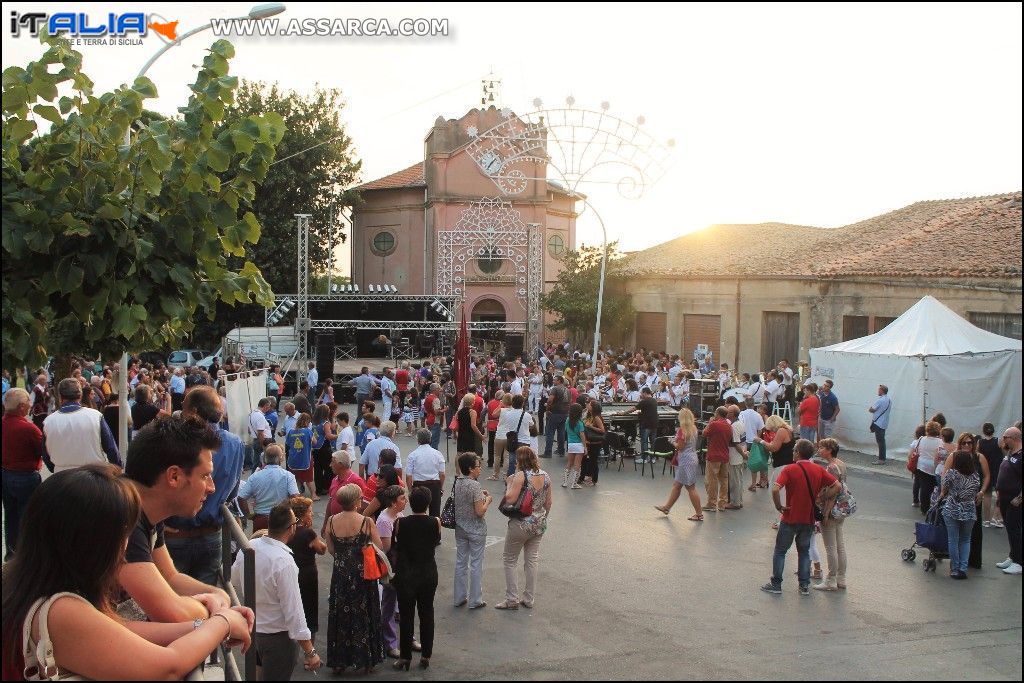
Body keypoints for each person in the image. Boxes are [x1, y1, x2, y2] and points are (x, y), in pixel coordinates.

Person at [1, 464, 253, 680]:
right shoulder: (61, 611)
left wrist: (205, 622)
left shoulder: (33, 586)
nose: (126, 545)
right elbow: (168, 666)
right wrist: (222, 623)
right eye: (123, 531)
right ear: (90, 542)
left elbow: (123, 631)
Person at [164, 387, 245, 586]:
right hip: (211, 535)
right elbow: (233, 492)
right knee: (206, 599)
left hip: (175, 535)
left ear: (193, 411)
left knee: (174, 601)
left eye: (183, 407)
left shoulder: (174, 439)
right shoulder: (235, 443)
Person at [232, 501, 322, 679]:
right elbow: (294, 611)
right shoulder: (283, 561)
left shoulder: (250, 547)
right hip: (277, 637)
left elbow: (234, 578)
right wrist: (310, 652)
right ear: (292, 528)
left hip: (253, 628)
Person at [761, 439, 841, 595]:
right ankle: (804, 585)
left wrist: (779, 506)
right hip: (808, 517)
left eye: (794, 450)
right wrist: (822, 498)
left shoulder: (790, 469)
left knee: (780, 551)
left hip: (790, 516)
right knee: (804, 551)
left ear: (798, 452)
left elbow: (776, 489)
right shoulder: (818, 470)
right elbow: (836, 486)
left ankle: (776, 584)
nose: (792, 453)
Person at [325, 483, 387, 674]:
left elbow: (331, 550)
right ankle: (367, 658)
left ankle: (339, 660)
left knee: (340, 615)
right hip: (362, 574)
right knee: (365, 613)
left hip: (341, 573)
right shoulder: (366, 522)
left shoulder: (331, 522)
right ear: (357, 501)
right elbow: (379, 546)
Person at [495, 447, 553, 610]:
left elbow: (510, 498)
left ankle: (512, 599)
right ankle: (529, 598)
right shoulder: (545, 475)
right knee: (532, 559)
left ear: (519, 461)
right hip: (538, 523)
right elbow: (548, 502)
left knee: (510, 559)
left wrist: (509, 483)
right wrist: (542, 518)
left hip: (521, 522)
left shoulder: (521, 476)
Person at [391, 486, 441, 670]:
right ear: (428, 504)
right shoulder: (435, 522)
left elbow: (397, 544)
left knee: (406, 615)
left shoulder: (400, 523)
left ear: (410, 503)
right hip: (427, 572)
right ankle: (426, 654)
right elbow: (435, 541)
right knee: (427, 613)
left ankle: (405, 656)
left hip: (406, 573)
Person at [42, 378, 122, 473]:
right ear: (80, 396)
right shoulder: (95, 416)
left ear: (60, 397)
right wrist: (117, 468)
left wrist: (55, 468)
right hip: (94, 475)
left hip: (62, 475)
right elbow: (111, 448)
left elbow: (45, 454)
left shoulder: (48, 422)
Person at [2, 388, 43, 560]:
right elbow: (41, 450)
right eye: (28, 403)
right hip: (25, 476)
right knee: (28, 515)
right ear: (21, 406)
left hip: (5, 474)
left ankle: (12, 551)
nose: (30, 406)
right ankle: (27, 555)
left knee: (10, 514)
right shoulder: (29, 429)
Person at [453, 452, 492, 610]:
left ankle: (459, 597)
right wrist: (487, 500)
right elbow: (480, 511)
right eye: (478, 466)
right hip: (475, 529)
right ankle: (475, 599)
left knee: (461, 563)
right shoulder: (475, 485)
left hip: (460, 528)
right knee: (476, 564)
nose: (480, 469)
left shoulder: (458, 482)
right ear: (470, 469)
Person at [285, 497, 327, 640]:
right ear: (302, 514)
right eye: (310, 511)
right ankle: (310, 653)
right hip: (307, 574)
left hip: (291, 573)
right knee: (309, 610)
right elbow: (322, 549)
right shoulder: (308, 533)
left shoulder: (288, 531)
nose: (312, 514)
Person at [654, 408, 703, 520]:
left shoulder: (682, 430)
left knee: (690, 488)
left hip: (685, 460)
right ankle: (667, 507)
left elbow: (680, 447)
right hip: (692, 457)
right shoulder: (694, 428)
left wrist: (672, 441)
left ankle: (699, 514)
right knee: (677, 485)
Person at [237, 444, 300, 532]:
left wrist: (248, 515)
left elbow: (241, 498)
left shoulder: (254, 476)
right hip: (282, 519)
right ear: (281, 458)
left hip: (260, 519)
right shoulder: (288, 476)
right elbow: (295, 497)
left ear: (264, 458)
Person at [814, 439, 848, 591]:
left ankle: (831, 579)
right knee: (840, 546)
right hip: (841, 509)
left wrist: (825, 512)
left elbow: (832, 492)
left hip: (832, 510)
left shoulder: (831, 468)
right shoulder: (841, 464)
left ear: (829, 450)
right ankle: (841, 578)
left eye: (822, 447)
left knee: (831, 547)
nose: (819, 450)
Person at [994, 427, 1022, 576]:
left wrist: (1019, 498)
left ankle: (1019, 562)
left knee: (1014, 529)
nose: (1003, 440)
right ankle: (1013, 556)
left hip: (1014, 499)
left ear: (1015, 438)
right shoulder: (1010, 453)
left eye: (1006, 437)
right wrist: (999, 493)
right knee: (1009, 528)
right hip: (1004, 496)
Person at [405, 428, 447, 518]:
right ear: (430, 439)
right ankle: (435, 531)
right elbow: (442, 474)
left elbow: (408, 476)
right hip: (434, 486)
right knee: (435, 514)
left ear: (418, 440)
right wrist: (441, 487)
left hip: (418, 486)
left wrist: (410, 491)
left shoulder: (412, 455)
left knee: (418, 514)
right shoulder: (438, 454)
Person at [702, 407, 732, 512]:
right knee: (724, 480)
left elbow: (704, 433)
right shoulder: (729, 426)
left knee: (711, 480)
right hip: (725, 455)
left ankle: (712, 503)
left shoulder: (714, 424)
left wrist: (710, 423)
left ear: (717, 413)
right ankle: (722, 504)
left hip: (714, 455)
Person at [914, 421, 945, 516]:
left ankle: (924, 508)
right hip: (934, 467)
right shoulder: (940, 442)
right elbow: (942, 454)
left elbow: (916, 450)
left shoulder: (921, 439)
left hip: (922, 465)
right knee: (935, 488)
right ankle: (934, 507)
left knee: (924, 488)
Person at [286, 412, 318, 501]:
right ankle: (313, 495)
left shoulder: (291, 431)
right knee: (309, 478)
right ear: (307, 422)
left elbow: (288, 443)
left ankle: (298, 495)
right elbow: (315, 442)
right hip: (305, 458)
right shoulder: (308, 431)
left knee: (296, 477)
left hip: (293, 459)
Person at [979, 423, 1005, 528]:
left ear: (983, 431)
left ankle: (986, 520)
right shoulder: (998, 441)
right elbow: (1005, 454)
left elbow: (978, 456)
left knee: (987, 496)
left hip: (985, 471)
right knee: (1000, 494)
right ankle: (997, 517)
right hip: (998, 471)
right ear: (993, 431)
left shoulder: (979, 442)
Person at [542, 375, 571, 459]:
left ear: (559, 381)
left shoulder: (555, 389)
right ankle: (561, 450)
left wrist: (547, 410)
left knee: (550, 433)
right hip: (565, 413)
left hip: (555, 413)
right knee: (561, 433)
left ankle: (548, 452)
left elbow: (550, 400)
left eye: (555, 380)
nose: (553, 381)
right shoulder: (567, 390)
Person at [579, 400, 606, 487]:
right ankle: (586, 476)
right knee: (586, 460)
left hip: (595, 442)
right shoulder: (589, 415)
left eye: (590, 405)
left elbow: (602, 430)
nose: (587, 405)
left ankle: (594, 479)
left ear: (593, 407)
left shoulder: (596, 417)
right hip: (588, 441)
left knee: (593, 460)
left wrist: (591, 426)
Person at [726, 404, 747, 510]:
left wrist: (743, 455)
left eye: (729, 412)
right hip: (739, 455)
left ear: (733, 414)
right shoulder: (739, 423)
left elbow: (736, 443)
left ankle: (735, 502)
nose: (727, 413)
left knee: (735, 481)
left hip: (735, 456)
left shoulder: (734, 426)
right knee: (739, 479)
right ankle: (739, 500)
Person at [562, 402, 588, 490]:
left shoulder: (567, 420)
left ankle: (565, 482)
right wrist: (585, 447)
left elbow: (566, 430)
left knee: (569, 463)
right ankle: (574, 483)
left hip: (570, 444)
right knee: (577, 465)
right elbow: (582, 435)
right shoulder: (580, 423)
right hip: (579, 444)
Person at [247, 397, 275, 472]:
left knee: (257, 462)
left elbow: (249, 430)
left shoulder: (251, 414)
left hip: (256, 440)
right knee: (261, 463)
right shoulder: (260, 416)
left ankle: (254, 478)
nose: (268, 409)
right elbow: (260, 433)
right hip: (262, 441)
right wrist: (263, 445)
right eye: (268, 407)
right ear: (265, 405)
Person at [868, 384, 892, 465]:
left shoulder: (880, 400)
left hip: (878, 423)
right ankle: (882, 458)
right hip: (884, 423)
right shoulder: (889, 400)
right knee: (882, 441)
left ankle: (881, 459)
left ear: (882, 391)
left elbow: (872, 409)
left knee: (880, 441)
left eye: (879, 390)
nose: (878, 391)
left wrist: (870, 409)